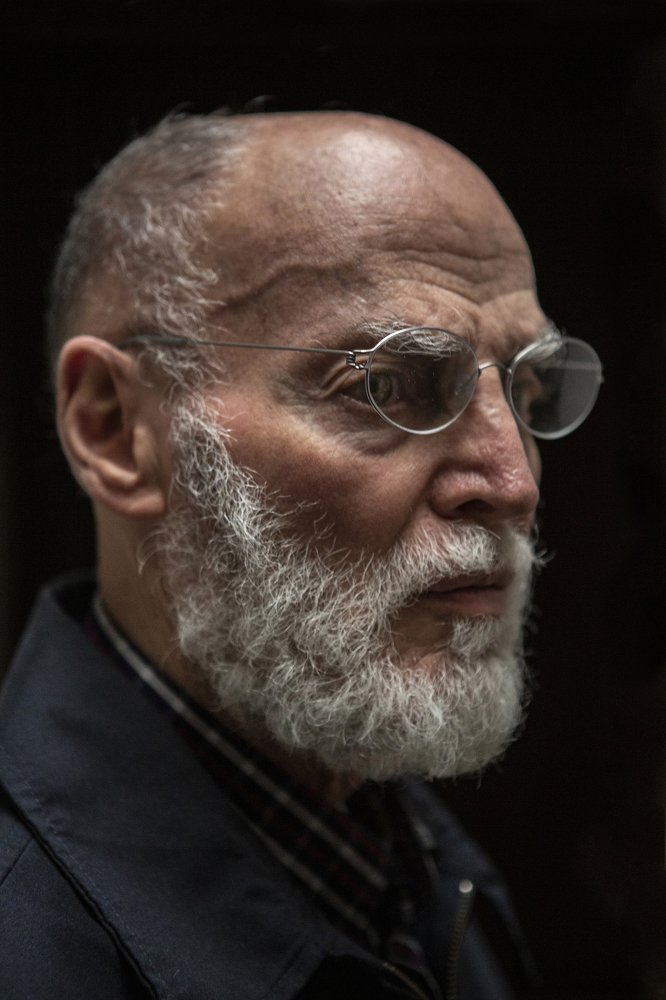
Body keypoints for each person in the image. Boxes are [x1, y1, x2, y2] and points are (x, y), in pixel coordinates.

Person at [0, 110, 602, 1000]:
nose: (513, 483)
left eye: (528, 385)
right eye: (386, 384)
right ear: (117, 429)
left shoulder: (413, 864)